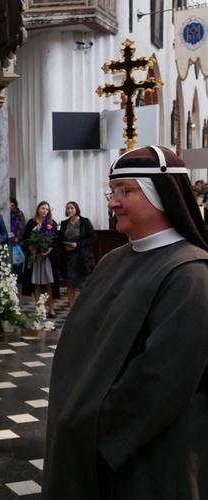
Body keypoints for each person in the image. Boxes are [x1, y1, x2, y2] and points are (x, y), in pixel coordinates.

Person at [44, 145, 208, 499]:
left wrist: (94, 429)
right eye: (112, 192)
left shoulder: (191, 273)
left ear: (161, 195)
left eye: (125, 191)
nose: (112, 202)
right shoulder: (113, 260)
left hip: (145, 454)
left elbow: (161, 380)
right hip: (86, 435)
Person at [20, 201, 60, 317]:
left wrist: (50, 248)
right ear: (38, 209)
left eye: (47, 209)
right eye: (42, 208)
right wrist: (30, 247)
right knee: (36, 282)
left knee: (50, 283)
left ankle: (51, 309)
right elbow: (25, 238)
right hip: (36, 257)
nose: (44, 211)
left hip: (47, 257)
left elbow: (55, 240)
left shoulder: (52, 223)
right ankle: (39, 309)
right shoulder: (32, 223)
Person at [58, 201, 96, 308]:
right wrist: (64, 246)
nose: (69, 210)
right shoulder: (64, 223)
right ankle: (72, 307)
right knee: (70, 284)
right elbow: (60, 240)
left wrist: (77, 244)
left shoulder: (84, 222)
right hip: (69, 259)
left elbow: (92, 238)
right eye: (68, 208)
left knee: (83, 284)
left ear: (76, 209)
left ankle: (84, 307)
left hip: (82, 257)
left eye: (72, 208)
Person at [9, 197, 26, 274]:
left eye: (12, 205)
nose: (10, 207)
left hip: (17, 238)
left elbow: (22, 226)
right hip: (8, 237)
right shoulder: (5, 213)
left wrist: (18, 237)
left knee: (17, 256)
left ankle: (18, 274)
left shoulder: (19, 213)